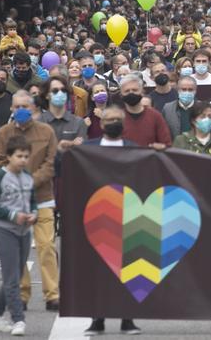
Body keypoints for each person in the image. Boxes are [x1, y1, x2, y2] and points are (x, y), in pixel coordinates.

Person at [0, 90, 60, 311]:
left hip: (42, 198)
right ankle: (22, 295)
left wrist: (31, 181)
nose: (21, 110)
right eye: (17, 107)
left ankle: (52, 294)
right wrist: (18, 182)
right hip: (14, 202)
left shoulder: (46, 131)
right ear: (11, 109)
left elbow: (51, 163)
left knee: (46, 246)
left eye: (25, 107)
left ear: (33, 109)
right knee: (19, 251)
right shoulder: (3, 133)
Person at [81, 107, 140, 337]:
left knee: (129, 270)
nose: (113, 122)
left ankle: (128, 320)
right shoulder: (87, 149)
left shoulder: (134, 150)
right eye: (109, 119)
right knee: (97, 273)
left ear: (123, 124)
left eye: (117, 119)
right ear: (101, 123)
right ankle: (98, 320)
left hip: (128, 215)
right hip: (96, 217)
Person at [0, 135, 37, 337]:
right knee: (12, 277)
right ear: (8, 157)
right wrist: (13, 215)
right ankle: (18, 319)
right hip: (5, 230)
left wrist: (34, 214)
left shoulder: (28, 176)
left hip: (24, 231)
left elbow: (32, 201)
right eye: (19, 156)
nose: (23, 160)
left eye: (26, 156)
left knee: (14, 274)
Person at [117, 76, 171, 149]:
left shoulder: (155, 116)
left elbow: (167, 145)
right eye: (127, 91)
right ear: (121, 95)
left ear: (142, 92)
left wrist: (160, 147)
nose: (131, 93)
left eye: (135, 90)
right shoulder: (117, 118)